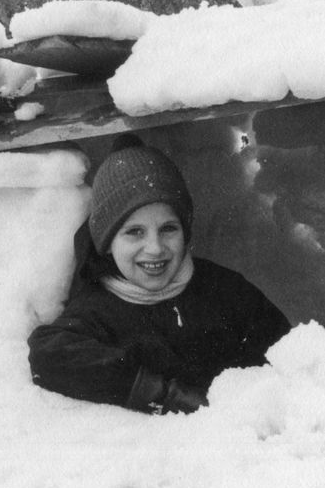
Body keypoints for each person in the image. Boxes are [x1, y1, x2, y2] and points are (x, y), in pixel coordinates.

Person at [27, 143, 291, 414]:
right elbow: (49, 354)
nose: (154, 247)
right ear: (106, 242)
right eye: (134, 232)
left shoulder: (225, 289)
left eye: (168, 229)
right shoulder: (98, 309)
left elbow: (290, 355)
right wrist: (160, 394)